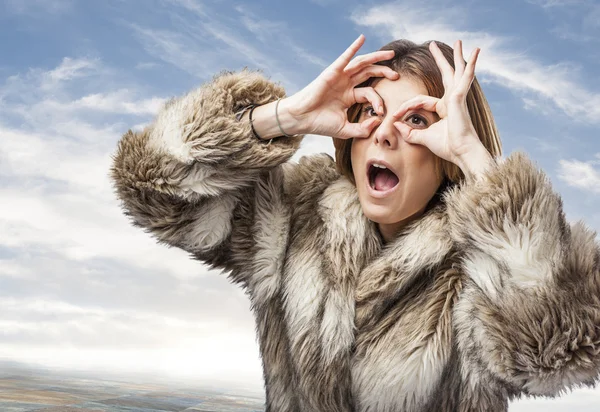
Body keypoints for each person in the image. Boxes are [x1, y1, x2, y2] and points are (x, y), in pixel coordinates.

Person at [110, 34, 600, 411]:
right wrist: (281, 117)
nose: (384, 133)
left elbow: (564, 347)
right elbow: (152, 189)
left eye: (416, 121)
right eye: (369, 111)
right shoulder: (294, 214)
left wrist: (475, 159)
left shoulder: (483, 267)